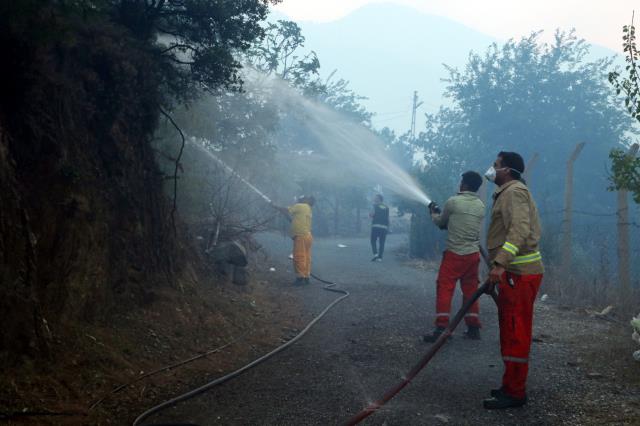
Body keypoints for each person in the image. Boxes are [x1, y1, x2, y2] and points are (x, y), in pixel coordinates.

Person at [483, 151, 544, 410]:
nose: (492, 169)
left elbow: (518, 230)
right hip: (513, 274)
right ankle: (510, 385)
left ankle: (516, 392)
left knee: (516, 332)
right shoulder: (507, 192)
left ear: (506, 170)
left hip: (519, 274)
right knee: (510, 330)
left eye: (495, 165)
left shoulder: (514, 192)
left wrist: (499, 263)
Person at [423, 171, 485, 342]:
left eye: (461, 181)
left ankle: (441, 328)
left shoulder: (453, 202)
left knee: (445, 287)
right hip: (473, 255)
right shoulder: (480, 205)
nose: (459, 184)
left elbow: (442, 223)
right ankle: (473, 328)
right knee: (471, 291)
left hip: (454, 254)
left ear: (464, 185)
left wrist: (434, 212)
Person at [272, 196, 315, 286]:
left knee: (299, 256)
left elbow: (286, 210)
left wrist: (274, 206)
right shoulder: (308, 208)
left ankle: (300, 278)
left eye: (303, 198)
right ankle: (306, 277)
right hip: (308, 235)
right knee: (306, 257)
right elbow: (294, 218)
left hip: (301, 236)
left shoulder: (300, 205)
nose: (300, 199)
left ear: (306, 200)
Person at [370, 194, 390, 262]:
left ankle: (375, 254)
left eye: (376, 198)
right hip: (384, 227)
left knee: (373, 241)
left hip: (376, 226)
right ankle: (380, 258)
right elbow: (387, 218)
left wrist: (371, 215)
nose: (374, 199)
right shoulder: (387, 207)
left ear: (379, 199)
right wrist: (388, 227)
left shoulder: (374, 206)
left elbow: (371, 215)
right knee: (382, 242)